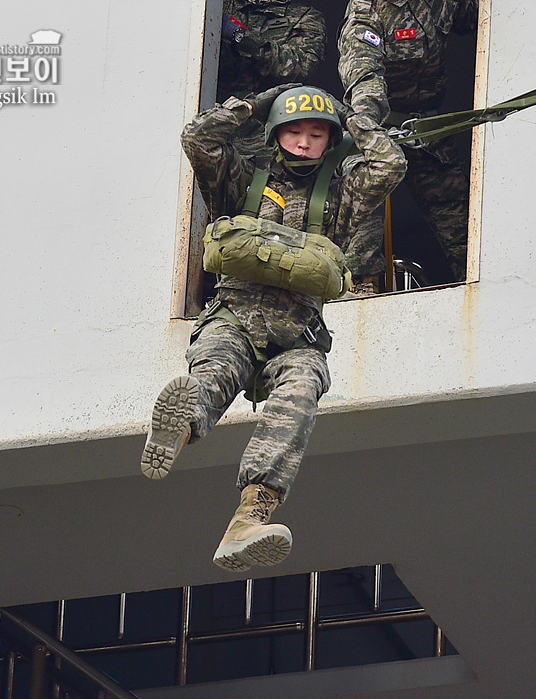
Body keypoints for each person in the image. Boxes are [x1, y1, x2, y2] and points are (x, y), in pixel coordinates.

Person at [142, 85, 406, 572]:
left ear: (330, 141)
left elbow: (389, 165)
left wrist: (352, 119)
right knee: (216, 370)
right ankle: (180, 424)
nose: (305, 142)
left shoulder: (343, 193)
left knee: (303, 388)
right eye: (294, 130)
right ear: (275, 133)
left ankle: (249, 517)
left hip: (297, 335)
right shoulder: (241, 177)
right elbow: (198, 138)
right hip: (234, 316)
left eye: (316, 134)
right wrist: (256, 103)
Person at [338, 0, 478, 289]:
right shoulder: (368, 10)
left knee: (468, 234)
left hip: (430, 133)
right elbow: (363, 73)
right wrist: (368, 126)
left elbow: (480, 16)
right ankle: (361, 288)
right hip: (378, 128)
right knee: (363, 199)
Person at [217, 0, 327, 162]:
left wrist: (241, 37)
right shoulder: (223, 5)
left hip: (263, 137)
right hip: (215, 123)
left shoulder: (304, 17)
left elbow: (298, 69)